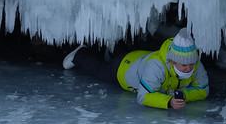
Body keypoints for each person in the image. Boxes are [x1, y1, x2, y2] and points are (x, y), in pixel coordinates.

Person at [62, 28, 209, 110]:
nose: (189, 68)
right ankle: (80, 54)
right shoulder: (156, 67)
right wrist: (169, 101)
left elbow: (203, 89)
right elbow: (143, 97)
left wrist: (183, 94)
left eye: (191, 63)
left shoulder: (195, 64)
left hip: (140, 58)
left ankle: (113, 49)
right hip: (124, 69)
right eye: (184, 65)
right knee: (101, 70)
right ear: (172, 61)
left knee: (121, 55)